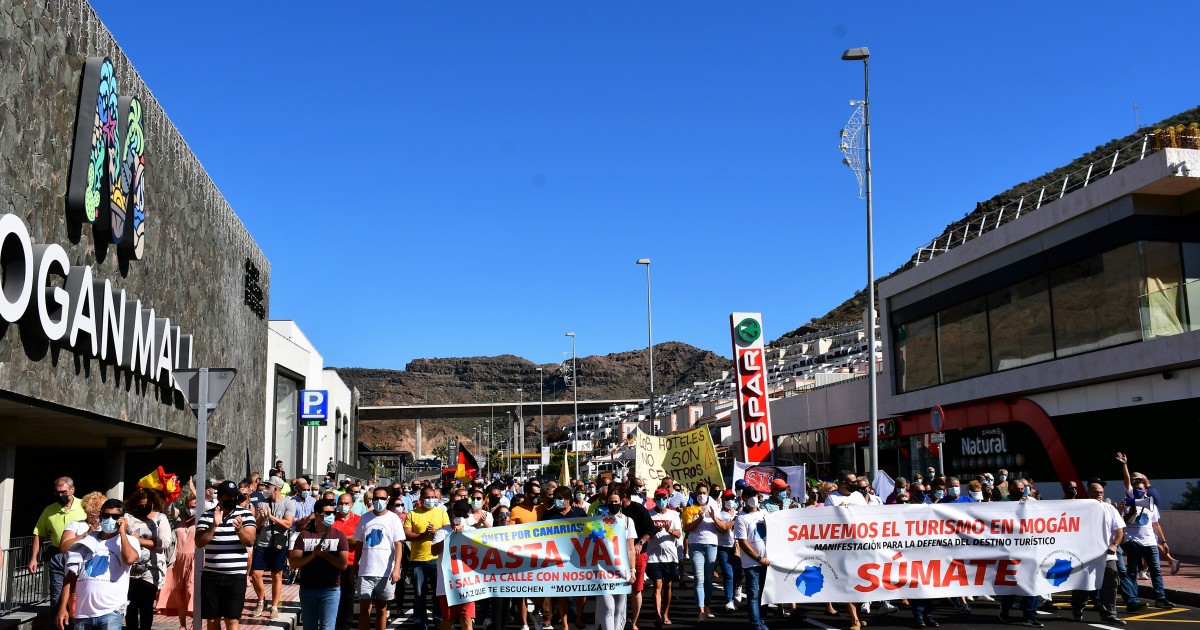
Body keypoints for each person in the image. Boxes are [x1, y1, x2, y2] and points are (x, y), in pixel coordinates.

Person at [55, 498, 147, 630]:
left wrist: (122, 532)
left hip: (111, 612)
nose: (110, 519)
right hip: (83, 613)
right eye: (106, 515)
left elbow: (130, 559)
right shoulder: (86, 541)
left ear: (122, 519)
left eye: (115, 517)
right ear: (100, 516)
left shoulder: (130, 541)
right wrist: (63, 607)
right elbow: (70, 577)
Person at [195, 480, 257, 630]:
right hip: (212, 576)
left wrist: (240, 530)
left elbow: (250, 541)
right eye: (228, 497)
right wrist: (213, 526)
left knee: (231, 620)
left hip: (235, 577)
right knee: (212, 620)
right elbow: (199, 542)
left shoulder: (246, 514)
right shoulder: (207, 516)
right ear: (220, 498)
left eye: (234, 496)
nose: (232, 499)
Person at [1070, 482, 1126, 625]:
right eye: (1095, 492)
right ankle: (1077, 607)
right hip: (1085, 555)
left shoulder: (1110, 509)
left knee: (1110, 582)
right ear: (1089, 493)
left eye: (1101, 492)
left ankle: (1110, 613)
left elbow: (1119, 529)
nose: (1099, 495)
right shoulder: (1080, 509)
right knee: (1083, 584)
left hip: (1107, 555)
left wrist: (1114, 544)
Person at [290, 499, 350, 630]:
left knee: (327, 627)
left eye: (333, 513)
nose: (331, 516)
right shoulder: (304, 535)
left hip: (331, 590)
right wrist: (312, 555)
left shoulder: (339, 535)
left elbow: (343, 564)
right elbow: (293, 562)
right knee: (309, 627)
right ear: (316, 514)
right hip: (308, 589)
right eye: (327, 513)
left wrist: (325, 555)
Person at [124, 488, 174, 630]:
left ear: (153, 503)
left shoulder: (160, 518)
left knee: (146, 605)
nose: (144, 508)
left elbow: (165, 542)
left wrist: (139, 541)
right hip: (130, 569)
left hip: (151, 570)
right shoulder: (128, 517)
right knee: (130, 605)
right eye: (141, 505)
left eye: (147, 505)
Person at [33, 476, 87, 608]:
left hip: (81, 555)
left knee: (78, 591)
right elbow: (39, 533)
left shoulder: (84, 506)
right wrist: (33, 558)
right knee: (56, 594)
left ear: (72, 490)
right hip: (57, 555)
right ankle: (57, 618)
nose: (60, 495)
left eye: (64, 492)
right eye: (57, 492)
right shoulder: (49, 510)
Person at [401, 485, 448, 630]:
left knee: (438, 592)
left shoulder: (442, 513)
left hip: (437, 559)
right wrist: (422, 535)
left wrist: (435, 532)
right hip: (417, 560)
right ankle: (420, 623)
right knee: (419, 593)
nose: (431, 499)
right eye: (427, 497)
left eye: (433, 497)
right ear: (421, 498)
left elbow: (448, 533)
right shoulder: (412, 514)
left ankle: (439, 620)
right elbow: (406, 534)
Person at [250, 476, 295, 618]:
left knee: (277, 575)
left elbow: (288, 524)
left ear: (276, 488)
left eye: (268, 486)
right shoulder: (262, 503)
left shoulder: (288, 503)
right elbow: (257, 526)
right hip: (263, 543)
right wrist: (261, 517)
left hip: (279, 544)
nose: (266, 489)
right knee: (255, 574)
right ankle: (261, 601)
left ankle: (274, 606)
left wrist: (271, 517)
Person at [681, 482, 723, 622]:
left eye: (704, 493)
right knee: (699, 578)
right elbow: (687, 527)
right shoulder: (690, 508)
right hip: (696, 545)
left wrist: (714, 517)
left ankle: (707, 606)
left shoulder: (714, 506)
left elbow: (721, 526)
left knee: (709, 578)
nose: (702, 495)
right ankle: (701, 611)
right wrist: (699, 519)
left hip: (711, 544)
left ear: (708, 494)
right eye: (699, 493)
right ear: (695, 494)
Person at [595, 492, 638, 630]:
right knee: (608, 607)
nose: (613, 504)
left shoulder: (628, 521)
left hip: (621, 569)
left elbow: (630, 549)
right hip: (603, 569)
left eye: (616, 501)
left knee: (619, 608)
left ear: (621, 502)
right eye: (610, 502)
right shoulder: (598, 520)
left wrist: (632, 570)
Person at [432, 501, 476, 630]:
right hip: (447, 585)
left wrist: (463, 535)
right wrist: (451, 536)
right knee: (448, 620)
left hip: (467, 584)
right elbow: (434, 551)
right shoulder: (442, 532)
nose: (461, 516)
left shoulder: (472, 531)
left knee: (467, 619)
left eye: (464, 514)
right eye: (458, 513)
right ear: (452, 514)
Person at [158, 494, 198, 630]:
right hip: (177, 559)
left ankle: (195, 622)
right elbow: (167, 509)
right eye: (188, 506)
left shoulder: (203, 518)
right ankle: (182, 625)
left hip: (195, 559)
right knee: (179, 592)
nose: (190, 509)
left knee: (191, 590)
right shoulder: (180, 517)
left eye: (194, 507)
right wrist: (170, 495)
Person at [734, 486, 768, 630]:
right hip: (751, 563)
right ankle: (755, 624)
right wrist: (759, 558)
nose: (754, 498)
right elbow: (743, 542)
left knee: (764, 594)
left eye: (755, 494)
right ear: (744, 498)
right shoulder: (741, 518)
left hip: (767, 562)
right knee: (753, 594)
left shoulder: (764, 514)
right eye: (750, 496)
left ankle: (762, 620)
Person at [646, 489, 681, 629]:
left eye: (664, 497)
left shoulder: (674, 514)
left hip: (670, 556)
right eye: (659, 497)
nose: (661, 500)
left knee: (668, 586)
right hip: (653, 556)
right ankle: (658, 615)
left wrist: (669, 530)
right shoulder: (649, 514)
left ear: (668, 498)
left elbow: (678, 534)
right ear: (655, 498)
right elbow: (644, 533)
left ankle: (665, 614)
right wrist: (652, 531)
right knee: (657, 585)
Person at [330, 491, 361, 630]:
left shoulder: (358, 519)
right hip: (332, 563)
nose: (344, 506)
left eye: (346, 503)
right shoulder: (331, 519)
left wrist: (338, 538)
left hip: (351, 563)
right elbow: (326, 538)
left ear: (352, 504)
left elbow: (357, 540)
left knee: (347, 597)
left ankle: (345, 626)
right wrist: (347, 539)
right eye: (341, 503)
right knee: (333, 597)